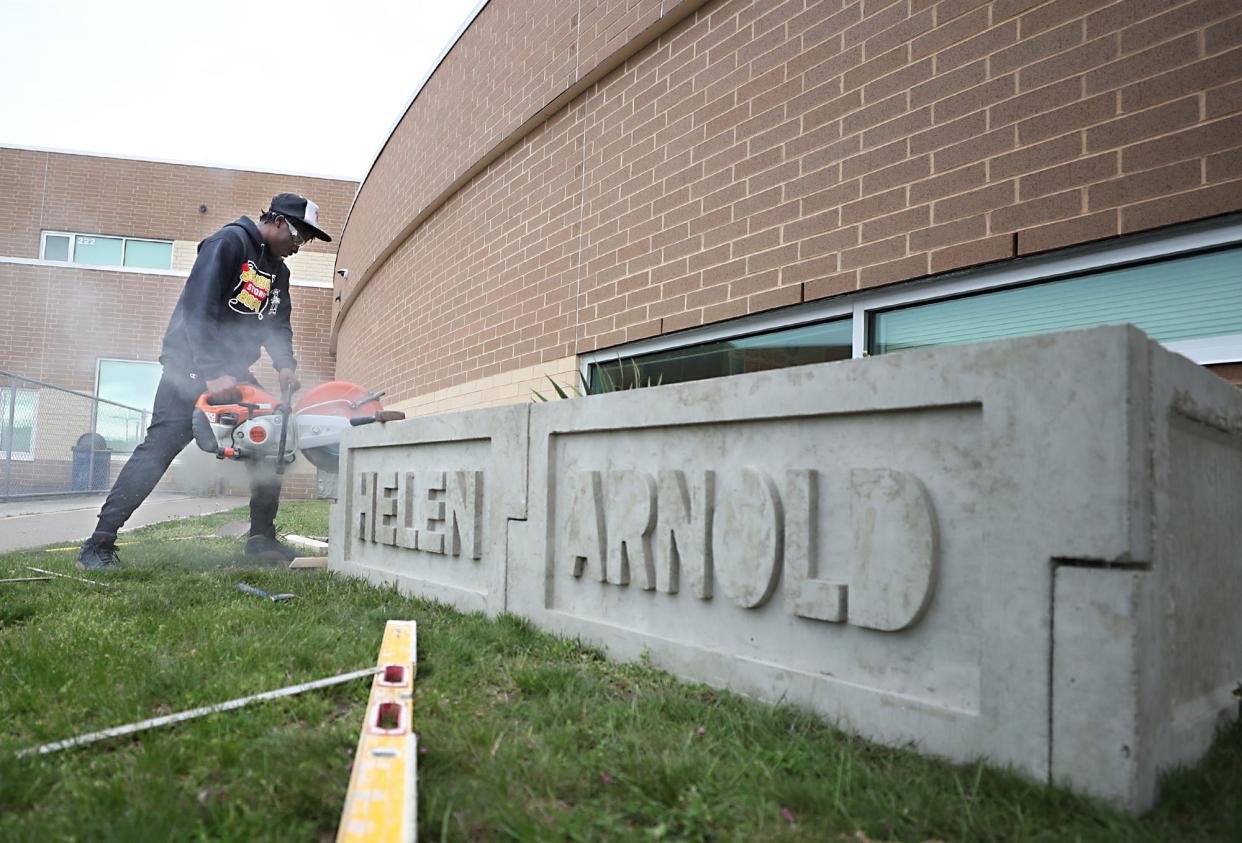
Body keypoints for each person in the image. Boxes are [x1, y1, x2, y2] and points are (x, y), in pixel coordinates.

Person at [76, 193, 332, 570]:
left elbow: (279, 325)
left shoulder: (278, 272)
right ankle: (98, 543)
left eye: (306, 240)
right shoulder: (228, 243)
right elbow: (199, 308)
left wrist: (284, 364)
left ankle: (261, 539)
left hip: (232, 372)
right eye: (299, 236)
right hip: (190, 367)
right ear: (278, 221)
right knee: (159, 449)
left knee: (274, 437)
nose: (299, 246)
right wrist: (211, 372)